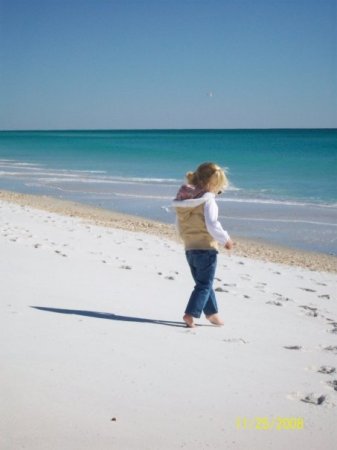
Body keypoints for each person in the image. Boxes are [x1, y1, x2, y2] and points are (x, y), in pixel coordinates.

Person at [172, 162, 234, 328]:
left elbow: (179, 223)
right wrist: (225, 240)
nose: (218, 191)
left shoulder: (184, 200)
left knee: (204, 283)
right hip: (206, 249)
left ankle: (212, 314)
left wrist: (184, 238)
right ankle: (190, 314)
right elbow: (212, 224)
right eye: (218, 187)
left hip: (190, 248)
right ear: (211, 184)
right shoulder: (208, 201)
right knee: (204, 285)